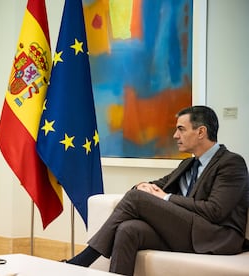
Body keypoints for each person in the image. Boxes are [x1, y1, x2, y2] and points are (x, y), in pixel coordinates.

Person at [67, 106, 249, 276]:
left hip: (215, 236)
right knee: (128, 229)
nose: (175, 135)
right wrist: (141, 186)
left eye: (181, 129)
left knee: (137, 199)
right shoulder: (188, 164)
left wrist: (166, 197)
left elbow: (215, 211)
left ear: (201, 132)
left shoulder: (231, 163)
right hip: (187, 231)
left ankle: (84, 259)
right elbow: (158, 184)